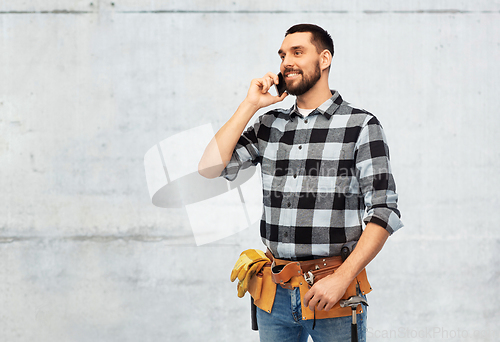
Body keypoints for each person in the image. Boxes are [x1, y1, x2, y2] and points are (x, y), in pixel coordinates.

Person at [198, 23, 403, 342]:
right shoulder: (270, 124)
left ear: (324, 59)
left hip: (333, 293)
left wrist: (341, 279)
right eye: (282, 55)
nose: (286, 62)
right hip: (273, 293)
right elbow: (209, 167)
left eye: (297, 52)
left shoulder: (360, 125)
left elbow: (384, 212)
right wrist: (251, 104)